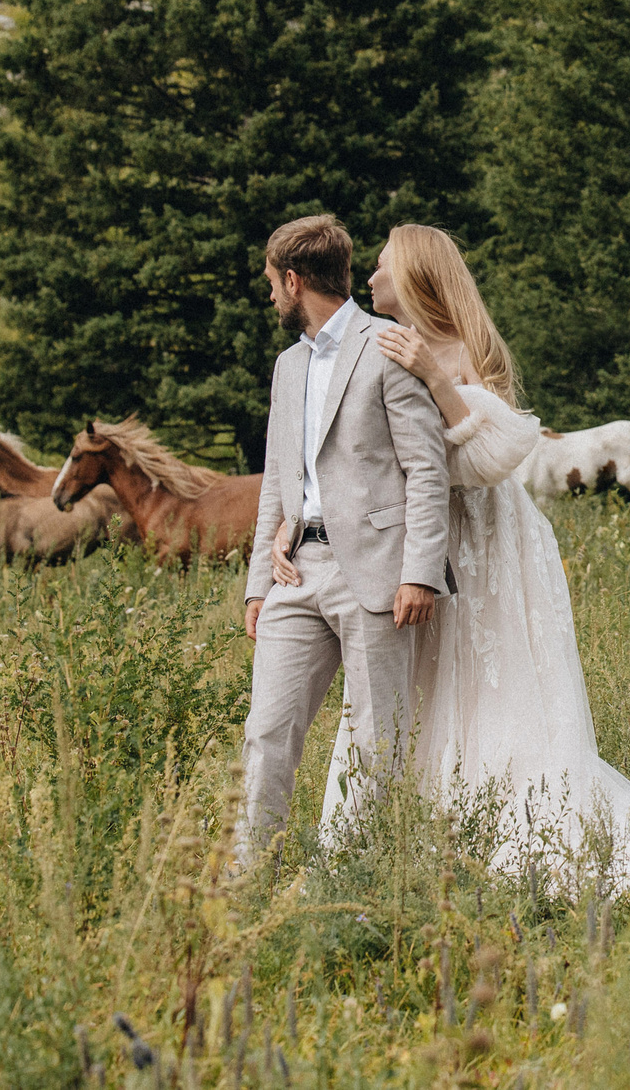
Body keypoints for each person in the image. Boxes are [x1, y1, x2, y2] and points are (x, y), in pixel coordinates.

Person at [274, 224, 630, 887]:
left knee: (480, 681)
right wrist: (296, 518)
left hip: (479, 538)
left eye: (382, 265)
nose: (369, 277)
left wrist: (432, 373)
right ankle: (401, 829)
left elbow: (500, 450)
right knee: (412, 686)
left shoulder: (459, 350)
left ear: (417, 274)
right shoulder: (368, 346)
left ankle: (490, 821)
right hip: (411, 541)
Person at [234, 213, 452, 869]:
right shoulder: (288, 366)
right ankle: (250, 877)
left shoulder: (387, 345)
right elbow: (278, 477)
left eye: (274, 283)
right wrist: (257, 583)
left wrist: (420, 570)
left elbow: (426, 466)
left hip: (380, 575)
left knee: (377, 740)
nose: (272, 295)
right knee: (267, 731)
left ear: (295, 280)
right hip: (296, 573)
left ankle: (371, 880)